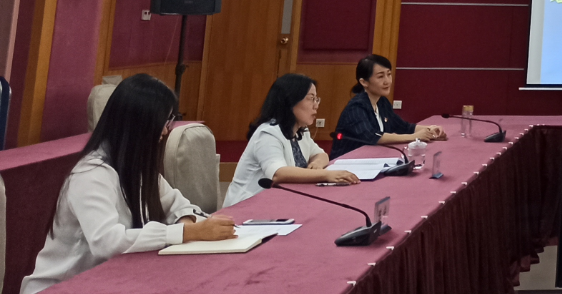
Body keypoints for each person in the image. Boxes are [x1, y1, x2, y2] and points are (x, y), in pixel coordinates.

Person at [21, 74, 235, 293]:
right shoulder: (91, 173)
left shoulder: (135, 167)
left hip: (108, 282)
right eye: (162, 122)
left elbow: (178, 204)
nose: (165, 131)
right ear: (139, 124)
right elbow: (107, 242)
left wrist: (186, 222)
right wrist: (186, 233)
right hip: (60, 288)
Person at [224, 74, 361, 207]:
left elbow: (321, 154)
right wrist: (325, 175)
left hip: (280, 202)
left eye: (316, 99)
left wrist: (316, 165)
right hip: (247, 206)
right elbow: (278, 173)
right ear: (291, 101)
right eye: (311, 98)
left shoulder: (301, 130)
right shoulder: (268, 133)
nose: (316, 105)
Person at [329, 55, 445, 159]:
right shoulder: (356, 107)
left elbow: (403, 126)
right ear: (364, 82)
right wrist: (414, 137)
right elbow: (373, 136)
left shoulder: (382, 102)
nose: (387, 81)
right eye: (380, 76)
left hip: (370, 159)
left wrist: (430, 129)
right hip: (346, 162)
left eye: (389, 74)